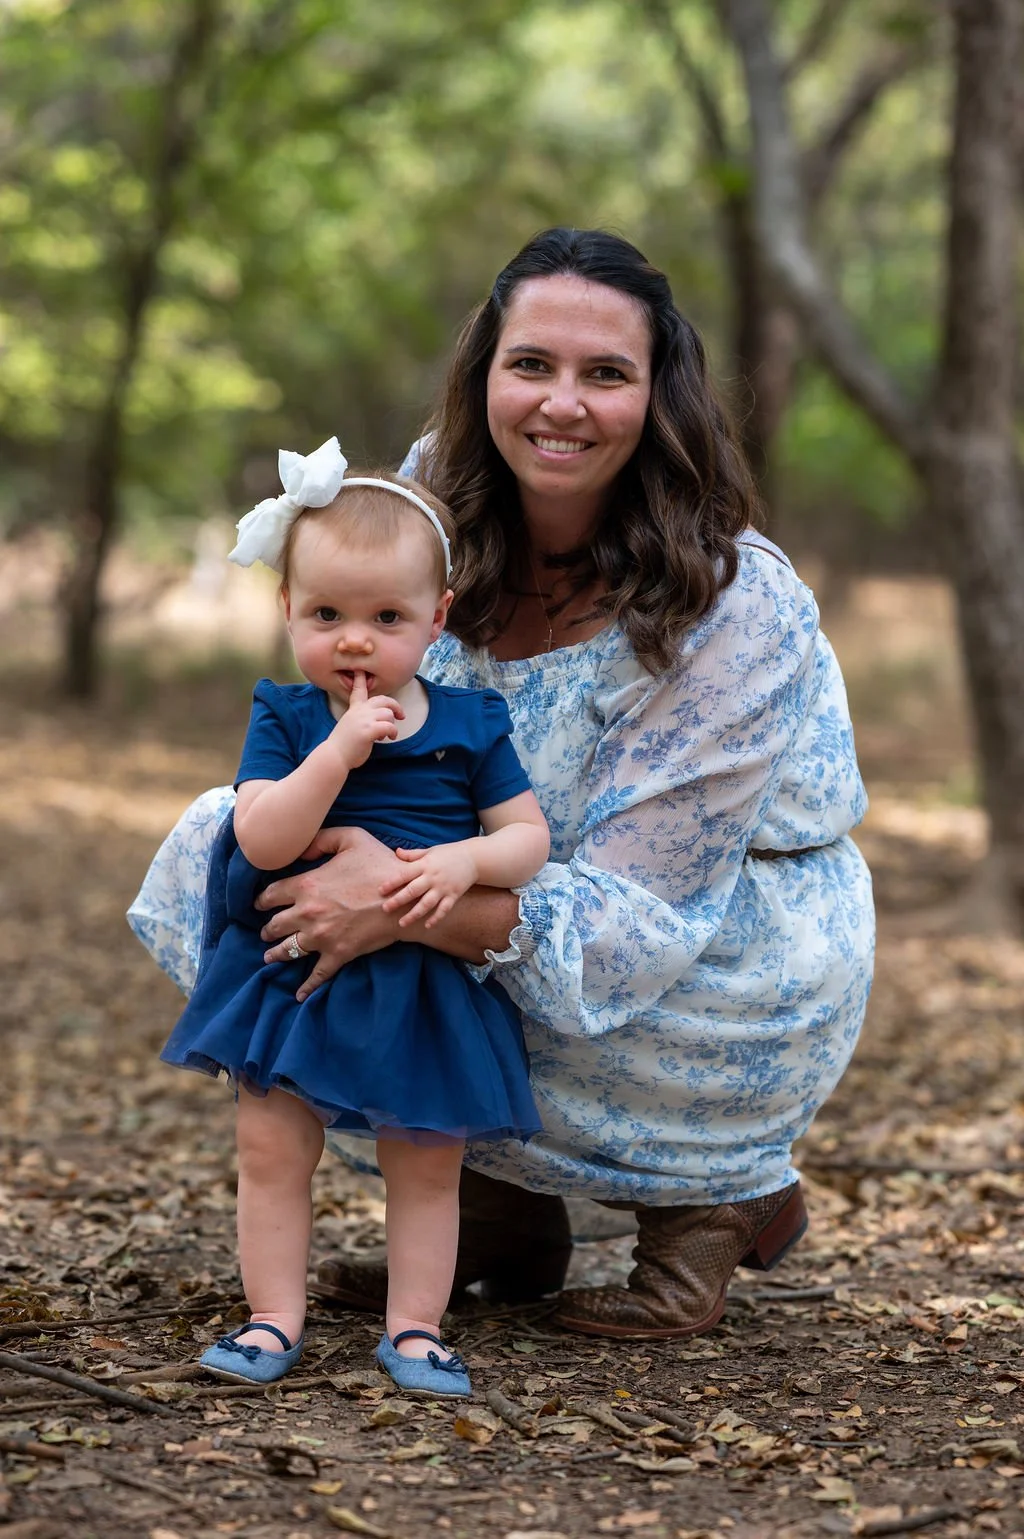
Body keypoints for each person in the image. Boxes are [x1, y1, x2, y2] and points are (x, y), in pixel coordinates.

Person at [130, 226, 874, 1345]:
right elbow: (352, 698)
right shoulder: (432, 502)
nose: (560, 404)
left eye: (605, 374)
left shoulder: (734, 602)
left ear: (657, 398)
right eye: (531, 364)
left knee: (353, 930)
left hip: (711, 956)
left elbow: (639, 927)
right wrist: (351, 857)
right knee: (225, 855)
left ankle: (708, 1198)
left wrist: (391, 904)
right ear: (485, 372)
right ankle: (492, 1204)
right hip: (473, 874)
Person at [155, 441, 550, 1394]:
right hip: (290, 971)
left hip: (422, 982)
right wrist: (335, 753)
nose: (356, 641)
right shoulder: (289, 717)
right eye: (327, 614)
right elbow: (261, 836)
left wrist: (464, 860)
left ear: (436, 620)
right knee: (271, 1144)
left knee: (425, 1159)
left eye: (386, 617)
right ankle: (270, 1317)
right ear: (287, 609)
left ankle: (415, 1327)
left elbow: (527, 842)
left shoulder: (471, 722)